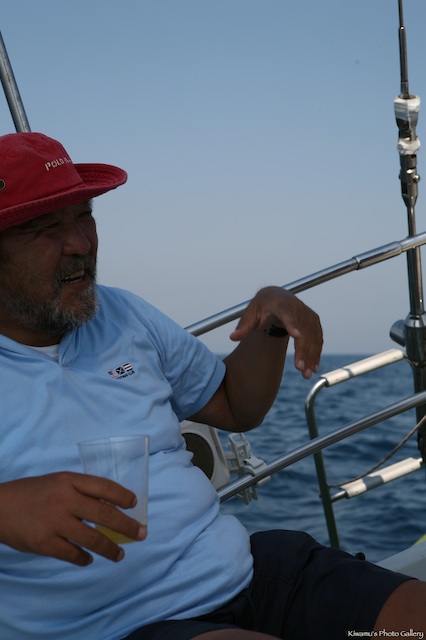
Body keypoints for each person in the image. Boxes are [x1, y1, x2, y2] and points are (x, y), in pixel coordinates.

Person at [0, 131, 424, 640]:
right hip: (119, 625)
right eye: (48, 228)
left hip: (247, 572)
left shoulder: (124, 313)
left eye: (84, 216)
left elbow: (232, 405)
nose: (81, 244)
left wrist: (270, 323)